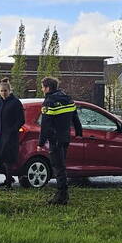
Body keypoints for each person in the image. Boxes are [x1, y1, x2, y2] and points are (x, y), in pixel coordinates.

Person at [38, 76, 83, 205]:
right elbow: (75, 118)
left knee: (58, 167)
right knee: (62, 166)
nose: (42, 90)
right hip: (65, 138)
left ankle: (61, 196)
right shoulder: (68, 99)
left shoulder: (49, 102)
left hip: (55, 139)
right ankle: (63, 194)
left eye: (42, 87)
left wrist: (40, 143)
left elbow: (45, 125)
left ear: (47, 88)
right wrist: (79, 132)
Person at [0, 77, 25, 189]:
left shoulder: (16, 103)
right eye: (1, 91)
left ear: (9, 91)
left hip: (10, 135)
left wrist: (12, 130)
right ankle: (8, 177)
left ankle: (8, 183)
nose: (3, 93)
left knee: (7, 160)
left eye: (5, 91)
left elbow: (21, 120)